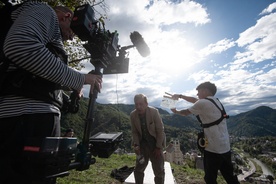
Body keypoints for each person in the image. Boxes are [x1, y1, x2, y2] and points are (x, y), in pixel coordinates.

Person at [0, 2, 102, 184]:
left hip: (23, 117)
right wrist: (81, 79)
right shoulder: (44, 10)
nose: (71, 39)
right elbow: (21, 46)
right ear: (67, 16)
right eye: (72, 33)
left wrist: (66, 91)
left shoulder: (40, 27)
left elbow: (29, 79)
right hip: (27, 120)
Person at [170, 81, 240, 184]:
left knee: (210, 179)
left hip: (213, 149)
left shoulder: (203, 103)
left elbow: (185, 112)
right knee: (230, 177)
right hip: (225, 147)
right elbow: (195, 100)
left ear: (205, 90)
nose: (197, 94)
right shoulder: (216, 101)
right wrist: (180, 96)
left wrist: (176, 111)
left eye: (198, 92)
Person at [130, 94, 165, 184]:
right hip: (142, 146)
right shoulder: (133, 115)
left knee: (159, 171)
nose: (138, 107)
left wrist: (158, 147)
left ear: (146, 104)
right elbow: (134, 132)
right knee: (138, 169)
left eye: (141, 104)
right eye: (136, 104)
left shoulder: (154, 112)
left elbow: (160, 130)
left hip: (155, 144)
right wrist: (137, 146)